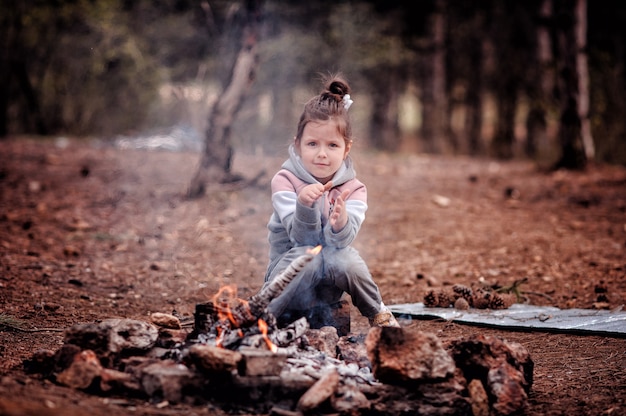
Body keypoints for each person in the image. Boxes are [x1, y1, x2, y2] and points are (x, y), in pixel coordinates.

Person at [261, 74, 400, 329]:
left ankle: (379, 313)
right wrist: (304, 205)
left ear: (346, 149)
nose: (322, 153)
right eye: (312, 143)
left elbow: (342, 243)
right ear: (298, 145)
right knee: (310, 257)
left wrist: (341, 223)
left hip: (327, 292)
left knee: (345, 258)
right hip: (287, 283)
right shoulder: (285, 181)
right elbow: (302, 241)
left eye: (332, 145)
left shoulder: (354, 189)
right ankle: (261, 317)